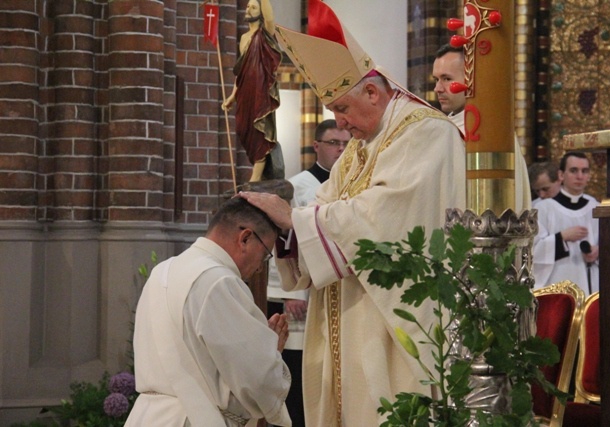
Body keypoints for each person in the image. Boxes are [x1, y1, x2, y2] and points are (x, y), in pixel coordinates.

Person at [241, 2, 467, 424]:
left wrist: (296, 220)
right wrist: (292, 227)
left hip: (389, 323)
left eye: (343, 109)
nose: (341, 125)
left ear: (372, 91)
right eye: (334, 115)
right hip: (346, 313)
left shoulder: (427, 134)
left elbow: (384, 218)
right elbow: (325, 207)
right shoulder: (359, 149)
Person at [125, 197, 292, 427]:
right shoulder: (219, 282)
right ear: (245, 238)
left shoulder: (163, 271)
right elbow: (256, 382)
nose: (260, 267)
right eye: (264, 255)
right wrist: (271, 353)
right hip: (194, 418)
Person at [267, 119, 351, 426]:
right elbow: (286, 237)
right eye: (334, 143)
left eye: (346, 143)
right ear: (317, 146)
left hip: (339, 291)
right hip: (304, 294)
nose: (341, 150)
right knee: (301, 367)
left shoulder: (350, 184)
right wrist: (290, 292)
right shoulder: (299, 186)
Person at [433, 43, 531, 212]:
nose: (437, 89)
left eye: (447, 79)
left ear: (471, 79)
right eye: (436, 80)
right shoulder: (444, 125)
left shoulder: (490, 128)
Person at [222, 0, 284, 182]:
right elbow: (240, 71)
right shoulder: (243, 38)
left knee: (259, 131)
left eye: (254, 7)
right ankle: (258, 174)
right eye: (248, 6)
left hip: (260, 90)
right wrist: (232, 96)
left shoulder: (264, 34)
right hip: (245, 90)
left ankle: (255, 178)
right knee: (243, 128)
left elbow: (271, 19)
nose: (249, 9)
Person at [533, 151, 600, 295]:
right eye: (574, 170)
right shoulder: (543, 208)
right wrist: (561, 237)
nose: (580, 176)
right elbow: (533, 251)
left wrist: (598, 252)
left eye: (585, 171)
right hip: (557, 283)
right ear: (561, 175)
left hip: (591, 283)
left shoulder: (597, 208)